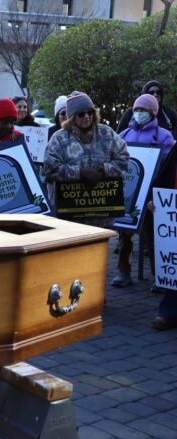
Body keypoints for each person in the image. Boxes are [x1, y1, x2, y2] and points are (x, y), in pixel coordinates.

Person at [112, 93, 175, 288]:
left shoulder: (164, 136)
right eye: (137, 109)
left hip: (151, 193)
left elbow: (169, 166)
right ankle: (124, 272)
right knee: (124, 233)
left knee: (153, 236)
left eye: (144, 110)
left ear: (153, 112)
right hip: (129, 192)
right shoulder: (123, 135)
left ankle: (159, 276)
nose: (139, 113)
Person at [44, 91, 129, 225]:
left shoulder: (106, 133)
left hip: (102, 216)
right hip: (70, 218)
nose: (87, 117)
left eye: (90, 112)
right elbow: (50, 168)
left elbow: (123, 158)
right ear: (72, 116)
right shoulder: (59, 138)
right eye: (81, 114)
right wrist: (80, 173)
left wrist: (103, 171)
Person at [148, 144, 177, 330]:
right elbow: (163, 176)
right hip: (171, 213)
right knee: (174, 263)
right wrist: (154, 198)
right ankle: (169, 312)